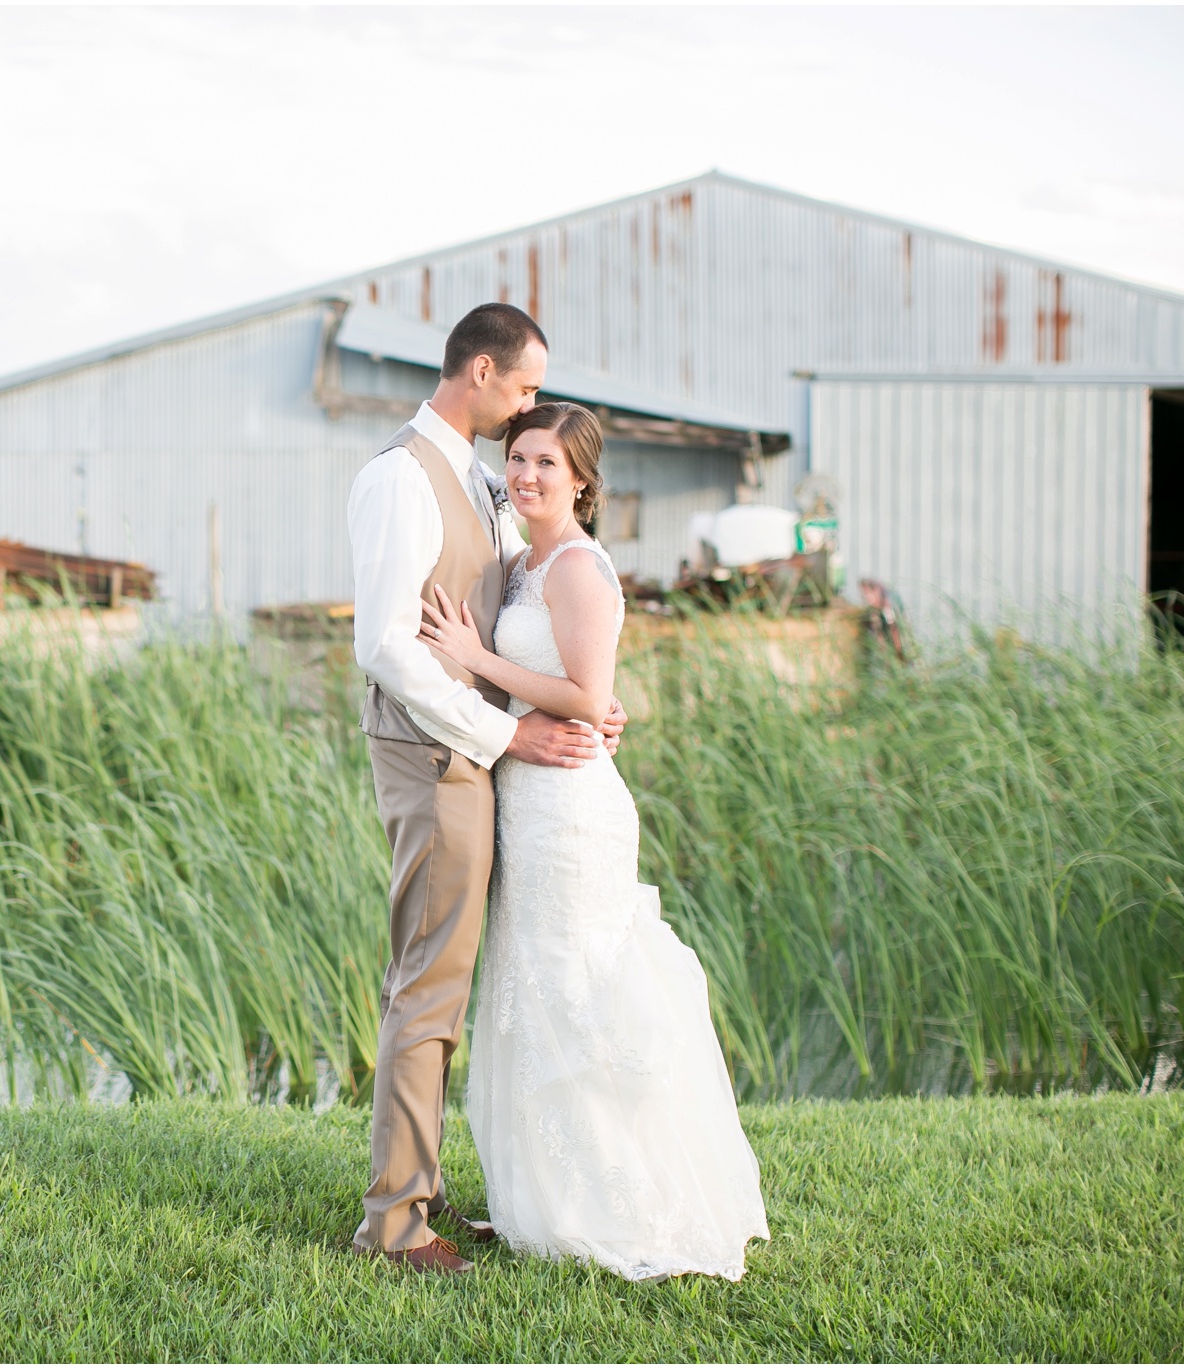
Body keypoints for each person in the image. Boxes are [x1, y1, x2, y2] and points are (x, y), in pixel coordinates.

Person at [420, 400, 770, 1281]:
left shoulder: (579, 568)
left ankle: (623, 1200)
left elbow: (585, 693)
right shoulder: (526, 561)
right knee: (532, 986)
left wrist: (477, 654)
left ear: (581, 479)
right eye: (519, 459)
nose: (528, 475)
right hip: (527, 801)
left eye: (546, 462)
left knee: (575, 988)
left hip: (572, 812)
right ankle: (545, 1198)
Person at [345, 303, 627, 1273]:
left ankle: (427, 1189)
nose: (528, 406)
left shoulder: (471, 474)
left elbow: (514, 612)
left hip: (474, 755)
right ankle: (393, 1222)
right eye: (521, 386)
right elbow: (382, 642)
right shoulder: (396, 478)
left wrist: (586, 701)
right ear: (476, 371)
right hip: (432, 759)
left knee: (454, 982)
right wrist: (508, 729)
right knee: (425, 987)